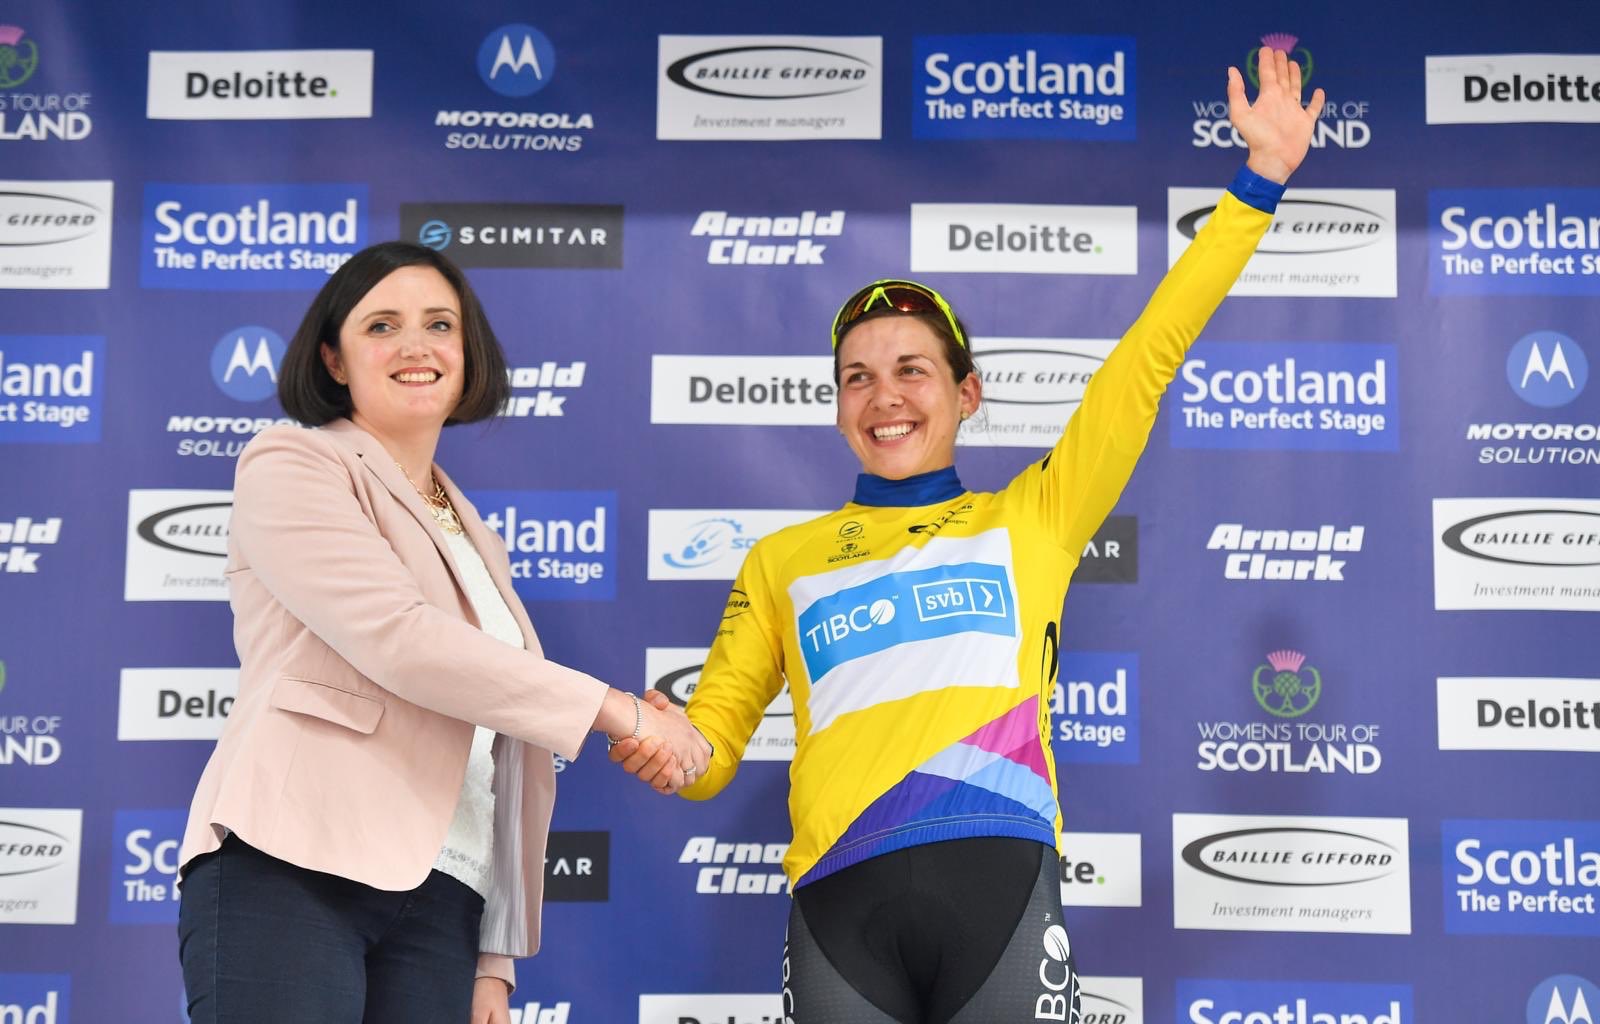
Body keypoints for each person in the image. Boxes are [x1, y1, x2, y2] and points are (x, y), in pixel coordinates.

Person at [610, 47, 1325, 1024]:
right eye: (857, 377)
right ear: (837, 407)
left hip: (998, 887)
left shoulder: (1033, 515)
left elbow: (1147, 358)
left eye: (912, 369)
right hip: (838, 903)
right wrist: (671, 752)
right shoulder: (782, 561)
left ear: (966, 393)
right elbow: (715, 753)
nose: (885, 396)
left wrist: (1260, 179)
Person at [175, 241, 710, 1024]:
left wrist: (492, 961)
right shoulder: (294, 460)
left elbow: (496, 751)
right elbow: (399, 639)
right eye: (382, 326)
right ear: (333, 359)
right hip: (294, 863)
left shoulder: (473, 533)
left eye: (439, 324)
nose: (416, 346)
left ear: (467, 352)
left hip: (444, 901)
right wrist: (618, 712)